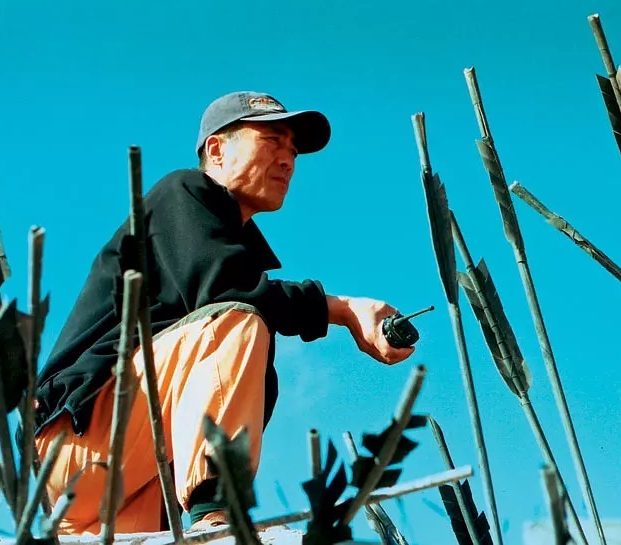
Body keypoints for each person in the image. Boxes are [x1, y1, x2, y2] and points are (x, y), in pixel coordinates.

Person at [33, 91, 416, 535]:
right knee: (238, 321)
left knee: (244, 326)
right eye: (273, 140)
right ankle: (216, 516)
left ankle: (203, 520)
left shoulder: (236, 252)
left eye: (293, 151)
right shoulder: (183, 192)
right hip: (75, 441)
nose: (288, 160)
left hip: (128, 491)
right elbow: (232, 292)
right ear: (216, 149)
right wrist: (344, 309)